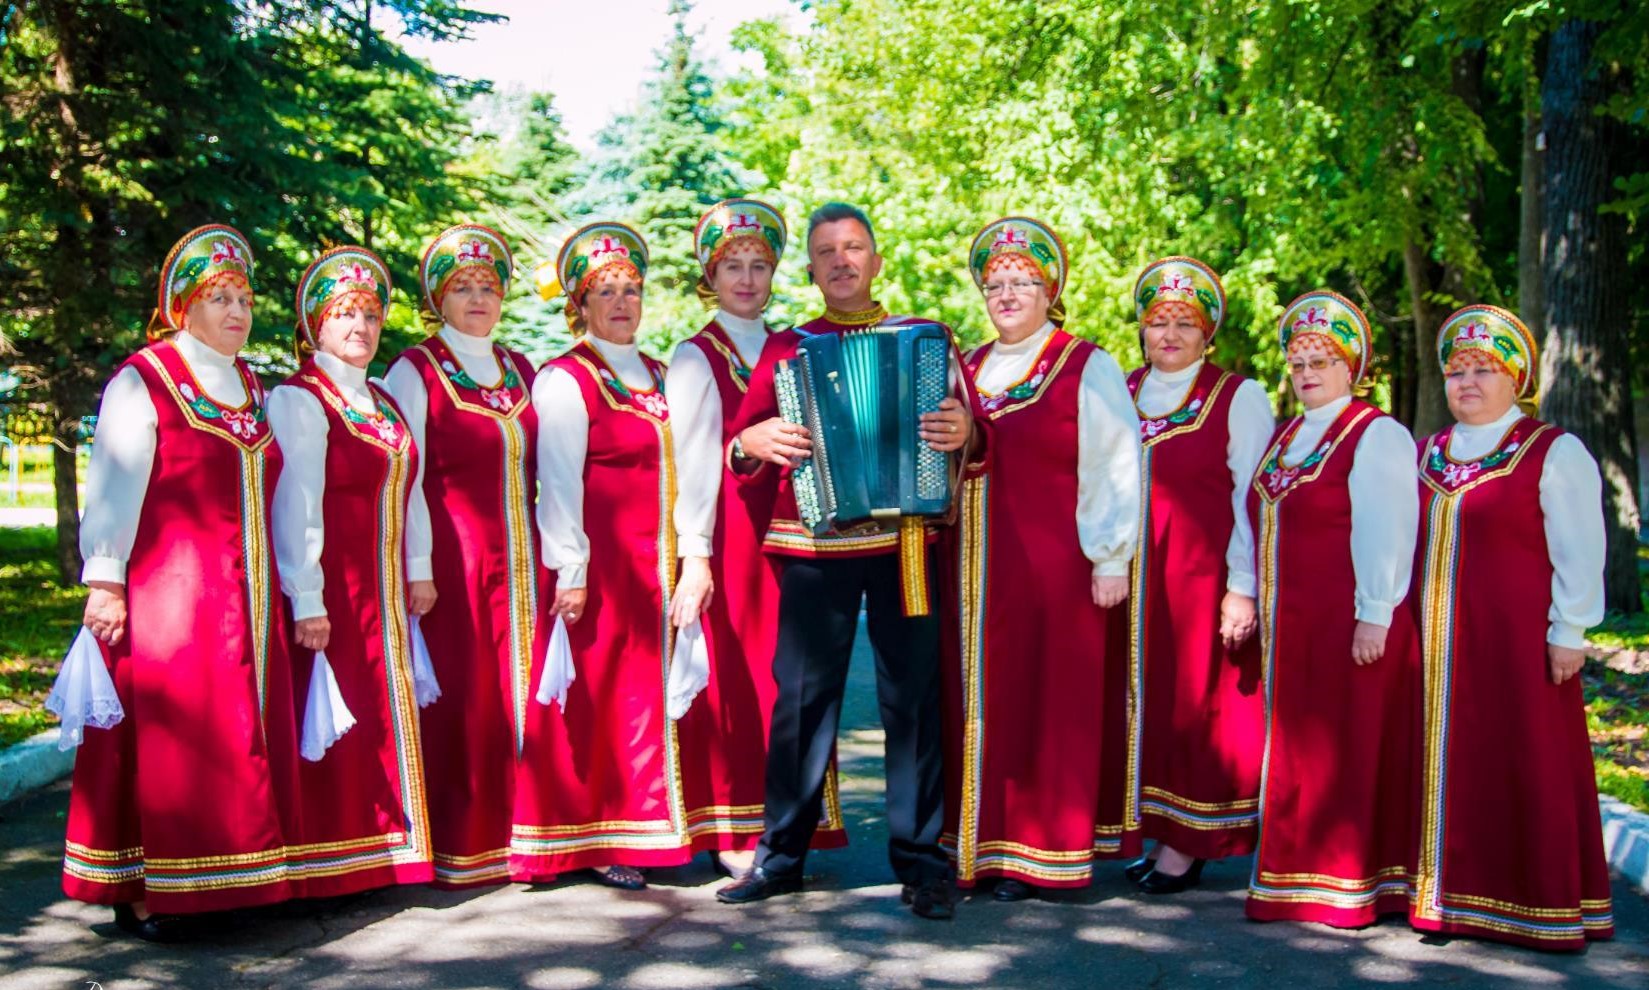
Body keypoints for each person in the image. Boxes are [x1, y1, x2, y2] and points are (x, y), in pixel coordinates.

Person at [715, 202, 983, 920]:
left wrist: (963, 431)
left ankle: (922, 865)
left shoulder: (928, 338)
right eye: (827, 251)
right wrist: (751, 443)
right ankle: (780, 858)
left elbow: (978, 436)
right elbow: (739, 444)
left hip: (906, 543)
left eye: (854, 247)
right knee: (802, 701)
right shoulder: (787, 348)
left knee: (912, 702)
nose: (841, 261)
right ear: (811, 270)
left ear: (876, 260)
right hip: (814, 541)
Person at [63, 224, 302, 940]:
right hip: (175, 594)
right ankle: (149, 890)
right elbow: (114, 480)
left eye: (244, 300)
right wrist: (105, 579)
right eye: (219, 298)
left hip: (247, 594)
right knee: (174, 733)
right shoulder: (146, 378)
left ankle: (227, 881)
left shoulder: (251, 385)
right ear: (181, 308)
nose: (237, 312)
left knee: (236, 734)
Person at [942, 216, 1140, 902]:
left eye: (1022, 282)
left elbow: (1115, 463)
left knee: (1047, 705)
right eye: (994, 283)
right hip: (973, 572)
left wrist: (1110, 558)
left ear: (1049, 291)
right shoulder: (966, 367)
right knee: (980, 702)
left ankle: (1041, 852)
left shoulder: (1085, 363)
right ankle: (979, 845)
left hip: (1053, 571)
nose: (1006, 294)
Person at [1407, 304, 1613, 950]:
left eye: (1483, 370)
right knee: (1446, 763)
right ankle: (1446, 897)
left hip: (1516, 644)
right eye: (1456, 371)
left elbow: (1580, 547)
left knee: (1524, 759)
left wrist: (1570, 629)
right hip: (1435, 648)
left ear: (1515, 379)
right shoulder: (1425, 453)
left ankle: (1533, 904)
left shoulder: (1551, 450)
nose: (1466, 382)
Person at [667, 199, 847, 879]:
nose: (746, 279)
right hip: (732, 538)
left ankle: (794, 822)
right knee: (738, 680)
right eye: (732, 267)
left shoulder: (796, 347)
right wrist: (695, 555)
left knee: (796, 681)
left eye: (758, 266)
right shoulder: (695, 357)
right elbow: (691, 462)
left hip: (799, 534)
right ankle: (735, 824)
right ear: (709, 278)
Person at [511, 222, 691, 889]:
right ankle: (597, 834)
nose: (621, 303)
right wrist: (572, 567)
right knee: (604, 699)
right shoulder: (566, 378)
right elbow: (557, 481)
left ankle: (654, 824)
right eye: (604, 291)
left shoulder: (663, 376)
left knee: (650, 696)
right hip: (603, 568)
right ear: (580, 305)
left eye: (630, 290)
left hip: (660, 566)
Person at [1243, 290, 1421, 929]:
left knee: (1346, 747)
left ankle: (1349, 883)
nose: (1307, 373)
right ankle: (1296, 876)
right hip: (1293, 626)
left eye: (1321, 361)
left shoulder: (1376, 433)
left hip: (1348, 622)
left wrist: (1375, 611)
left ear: (1353, 368)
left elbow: (1387, 526)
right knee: (1300, 749)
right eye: (1298, 363)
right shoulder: (1286, 436)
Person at [268, 246, 434, 897]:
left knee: (379, 707)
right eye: (344, 314)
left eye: (369, 314)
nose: (360, 326)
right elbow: (297, 503)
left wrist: (418, 566)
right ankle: (326, 859)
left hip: (382, 587)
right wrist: (307, 595)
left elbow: (412, 489)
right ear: (315, 324)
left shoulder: (383, 399)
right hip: (333, 585)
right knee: (332, 712)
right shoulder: (301, 398)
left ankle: (380, 851)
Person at [383, 223, 540, 887]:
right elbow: (406, 475)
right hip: (453, 562)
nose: (478, 298)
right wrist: (417, 567)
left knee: (526, 693)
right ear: (438, 299)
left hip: (525, 563)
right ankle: (463, 843)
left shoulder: (521, 367)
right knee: (466, 698)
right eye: (462, 287)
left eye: (487, 287)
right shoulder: (415, 369)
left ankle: (530, 835)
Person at [1117, 257, 1273, 894]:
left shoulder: (1237, 397)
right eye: (1159, 322)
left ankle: (1190, 841)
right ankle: (1158, 830)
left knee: (1197, 703)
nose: (1170, 334)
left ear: (1207, 334)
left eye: (1186, 323)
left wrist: (1243, 586)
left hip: (1201, 581)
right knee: (1147, 704)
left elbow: (1251, 497)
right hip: (1133, 583)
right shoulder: (1121, 390)